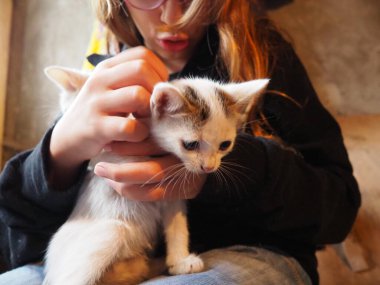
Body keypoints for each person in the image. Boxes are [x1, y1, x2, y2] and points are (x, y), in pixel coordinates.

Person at [0, 0, 360, 284]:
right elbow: (16, 240)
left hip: (253, 251)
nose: (173, 16)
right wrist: (59, 153)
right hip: (122, 258)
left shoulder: (263, 55)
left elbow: (339, 207)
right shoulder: (104, 69)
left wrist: (232, 172)